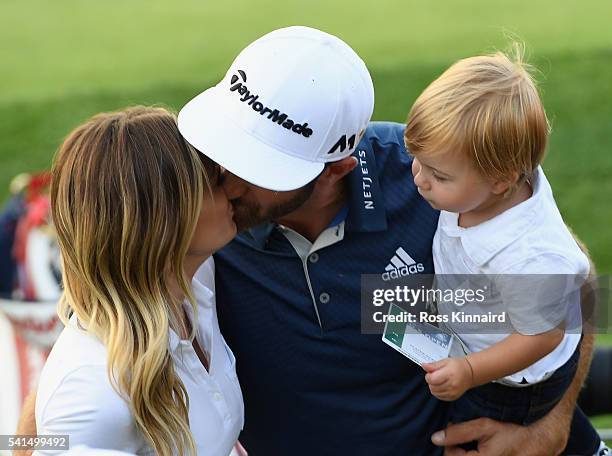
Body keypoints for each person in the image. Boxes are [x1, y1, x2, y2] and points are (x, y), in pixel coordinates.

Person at [18, 27, 596, 456]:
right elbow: (102, 331)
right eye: (228, 152)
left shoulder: (438, 183)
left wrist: (549, 425)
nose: (230, 181)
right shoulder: (203, 212)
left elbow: (559, 292)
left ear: (338, 168)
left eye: (260, 168)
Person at [404, 49, 607, 455]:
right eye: (416, 160)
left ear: (501, 180)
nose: (419, 179)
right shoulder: (492, 182)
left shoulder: (529, 254)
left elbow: (543, 335)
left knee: (472, 443)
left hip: (511, 384)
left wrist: (470, 371)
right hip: (484, 332)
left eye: (439, 174)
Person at [34, 106, 243, 455]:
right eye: (213, 181)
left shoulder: (195, 283)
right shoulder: (92, 392)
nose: (234, 190)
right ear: (163, 218)